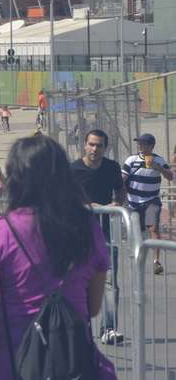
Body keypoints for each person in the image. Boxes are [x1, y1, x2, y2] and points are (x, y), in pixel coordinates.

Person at [0, 135, 114, 380]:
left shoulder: (2, 229)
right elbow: (93, 306)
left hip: (15, 361)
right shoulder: (88, 225)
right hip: (72, 361)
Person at [71, 129, 125, 344]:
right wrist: (97, 207)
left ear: (105, 147)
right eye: (91, 144)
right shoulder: (73, 169)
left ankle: (109, 328)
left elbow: (121, 190)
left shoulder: (112, 167)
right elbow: (71, 199)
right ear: (84, 145)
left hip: (106, 234)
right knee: (79, 282)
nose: (95, 149)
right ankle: (80, 326)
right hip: (79, 235)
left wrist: (117, 204)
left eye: (99, 145)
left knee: (111, 283)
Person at [122, 133, 173, 275]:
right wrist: (122, 190)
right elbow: (123, 178)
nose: (141, 146)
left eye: (144, 144)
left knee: (153, 228)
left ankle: (156, 262)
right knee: (136, 231)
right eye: (139, 144)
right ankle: (138, 255)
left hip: (151, 201)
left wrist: (159, 168)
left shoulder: (159, 160)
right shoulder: (131, 159)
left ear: (151, 146)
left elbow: (170, 176)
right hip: (133, 202)